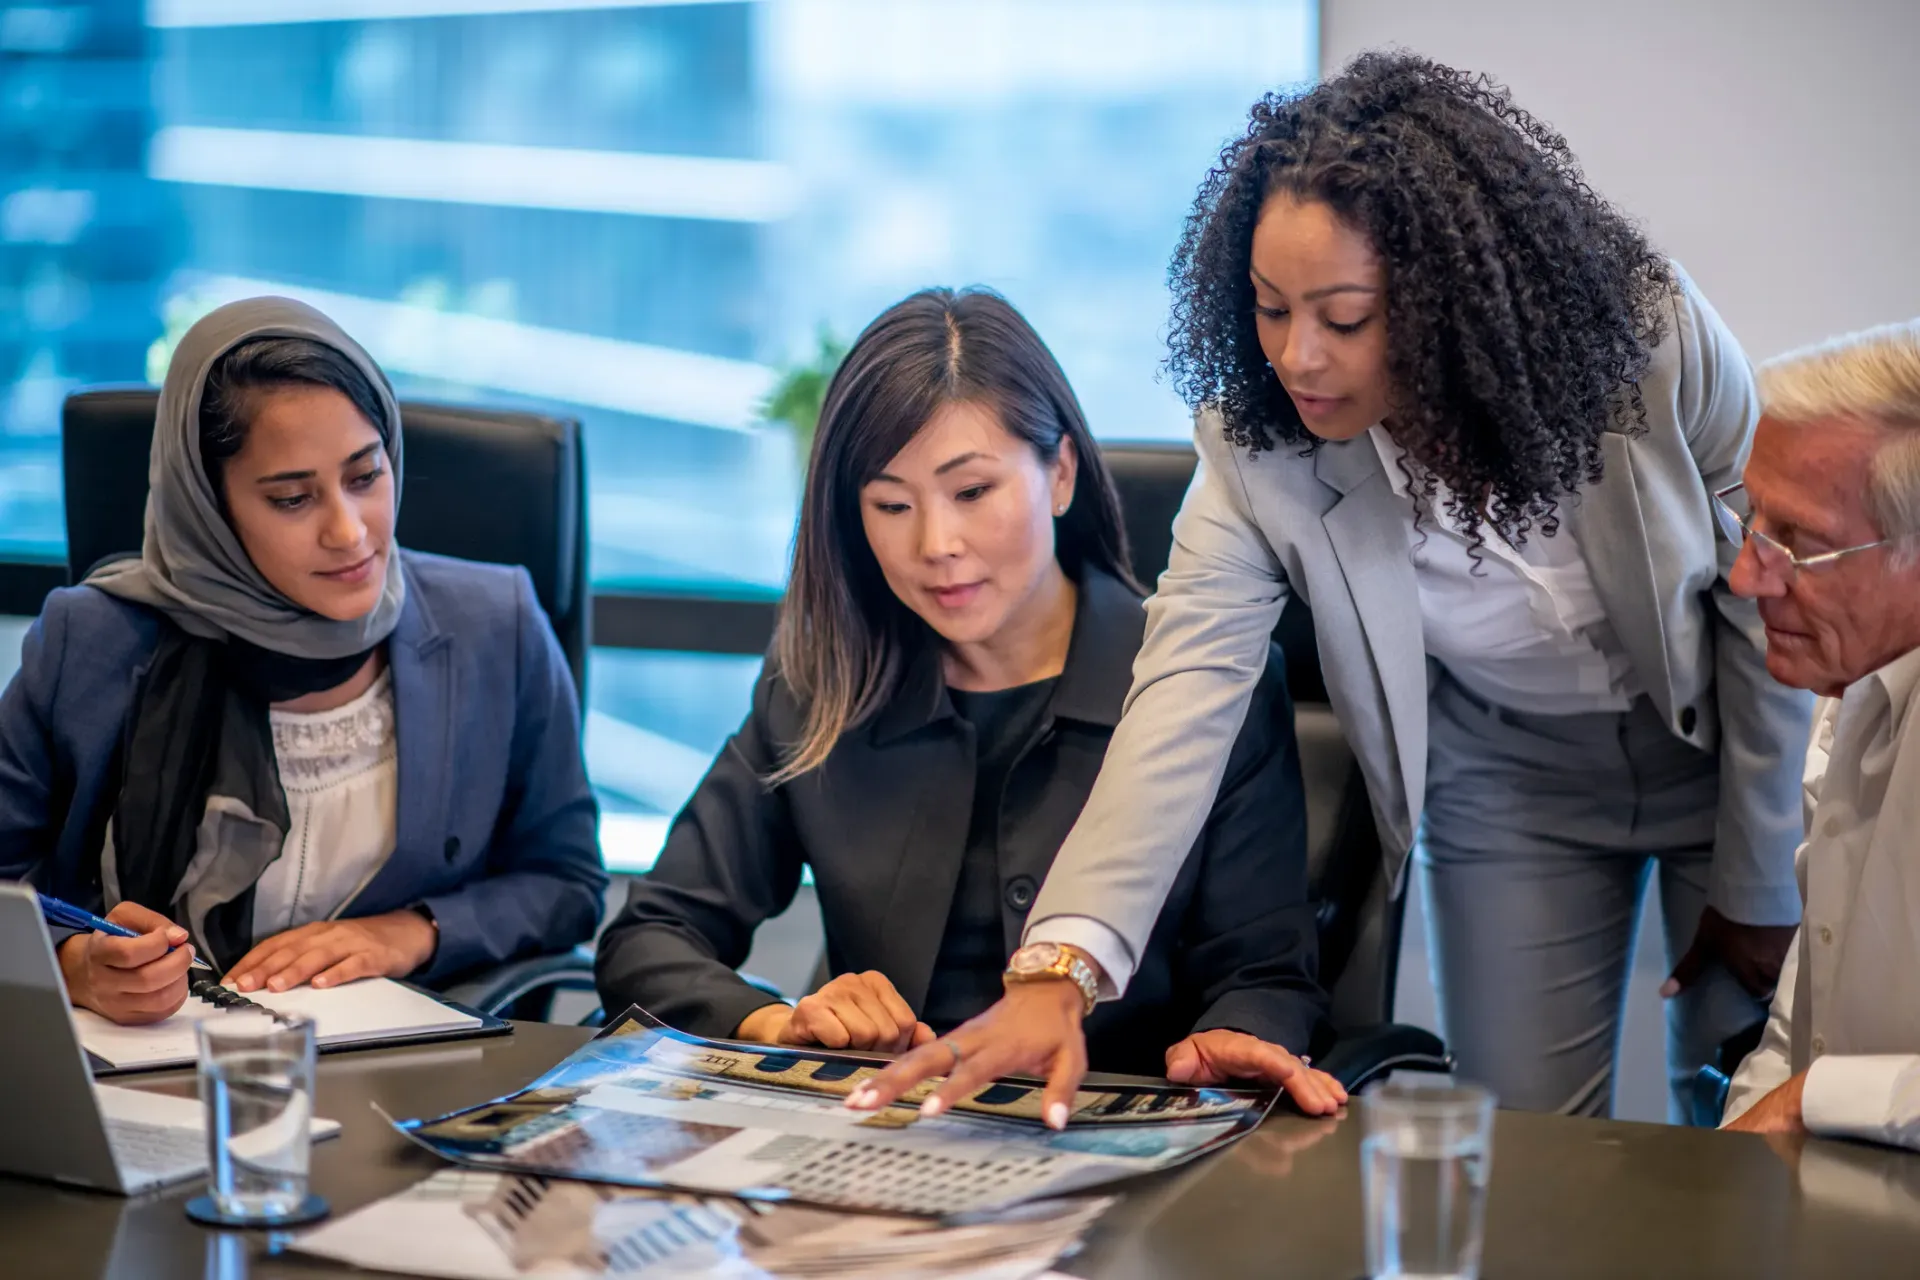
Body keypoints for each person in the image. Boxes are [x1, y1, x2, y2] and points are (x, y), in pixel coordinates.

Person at [853, 52, 1813, 1127]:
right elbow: (1183, 691)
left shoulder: (1645, 343)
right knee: (1529, 1138)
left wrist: (1765, 872)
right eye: (1268, 309)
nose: (1297, 357)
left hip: (1730, 743)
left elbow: (1770, 590)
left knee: (1741, 1107)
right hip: (1508, 776)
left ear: (1450, 298)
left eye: (1344, 318)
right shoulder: (1258, 445)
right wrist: (1059, 967)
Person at [594, 287, 1345, 1118]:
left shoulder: (1198, 682)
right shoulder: (820, 687)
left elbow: (1264, 974)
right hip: (875, 1146)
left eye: (972, 491)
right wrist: (781, 1023)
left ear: (1059, 473)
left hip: (1111, 1141)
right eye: (891, 505)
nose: (935, 546)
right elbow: (651, 936)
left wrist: (1232, 1039)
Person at [0, 296, 606, 1026]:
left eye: (365, 476)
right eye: (292, 498)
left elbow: (565, 880)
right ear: (210, 508)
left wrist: (413, 932)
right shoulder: (91, 639)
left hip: (400, 1069)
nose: (350, 533)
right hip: (142, 1069)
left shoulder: (495, 624)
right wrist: (75, 966)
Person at [1718, 319, 1920, 1148]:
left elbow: (1811, 1080)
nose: (1743, 576)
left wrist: (1815, 1099)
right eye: (1752, 523)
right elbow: (1805, 1021)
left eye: (1796, 543)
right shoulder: (1856, 685)